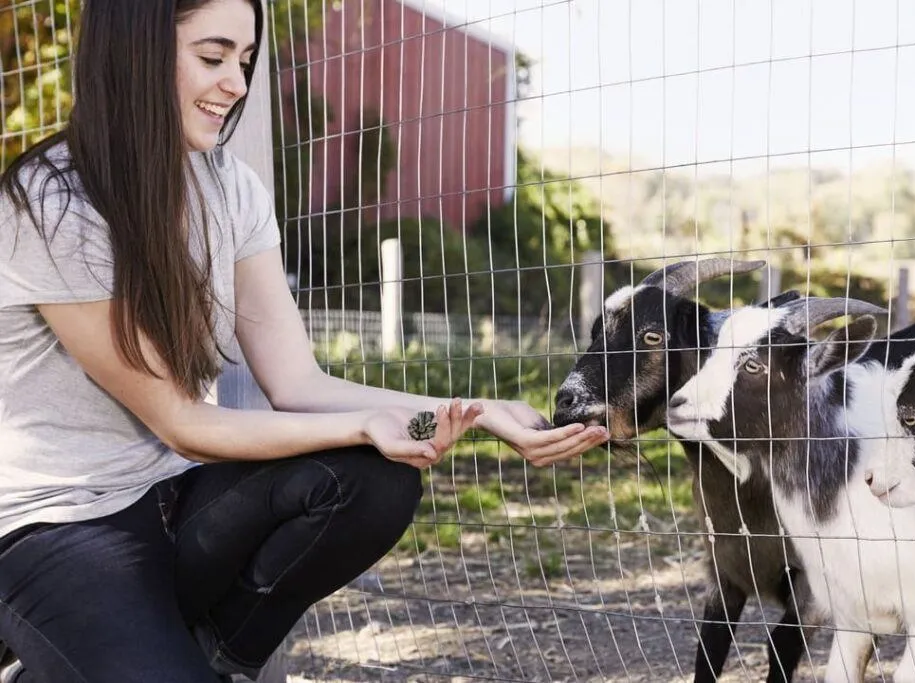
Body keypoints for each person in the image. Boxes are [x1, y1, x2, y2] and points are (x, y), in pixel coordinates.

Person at [0, 0, 610, 680]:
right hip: (56, 525)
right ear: (136, 52)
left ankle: (212, 658)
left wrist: (475, 411)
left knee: (375, 477)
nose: (235, 81)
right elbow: (181, 421)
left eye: (245, 60)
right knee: (360, 444)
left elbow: (298, 384)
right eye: (213, 56)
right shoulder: (54, 202)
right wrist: (368, 424)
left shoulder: (227, 188)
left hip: (169, 498)